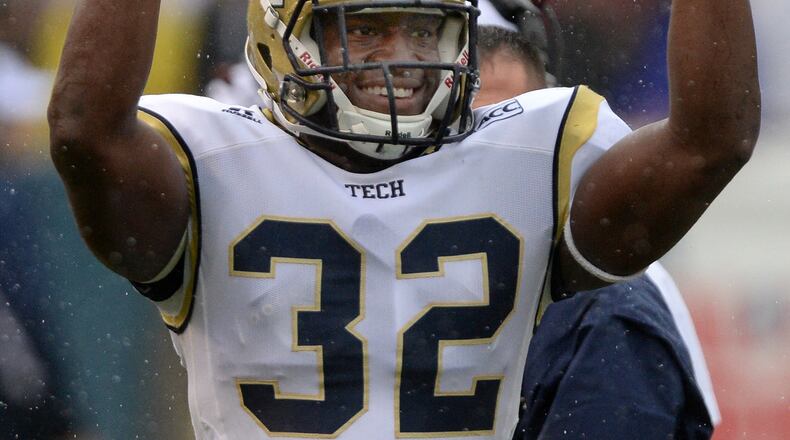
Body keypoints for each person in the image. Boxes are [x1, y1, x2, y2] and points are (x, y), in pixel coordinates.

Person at [48, 0, 760, 438]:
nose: (402, 59)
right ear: (284, 36)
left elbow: (711, 143)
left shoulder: (533, 149)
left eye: (423, 29)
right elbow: (83, 128)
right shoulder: (211, 156)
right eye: (367, 30)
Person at [471, 3, 721, 436]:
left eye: (513, 121)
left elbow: (711, 144)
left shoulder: (602, 308)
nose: (494, 149)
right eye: (472, 129)